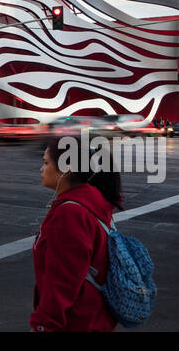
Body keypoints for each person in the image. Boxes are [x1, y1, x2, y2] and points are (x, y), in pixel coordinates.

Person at [30, 136, 123, 332]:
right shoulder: (93, 202)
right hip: (95, 319)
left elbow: (62, 282)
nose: (41, 169)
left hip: (76, 323)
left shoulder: (70, 214)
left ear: (67, 168)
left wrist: (42, 325)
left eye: (46, 163)